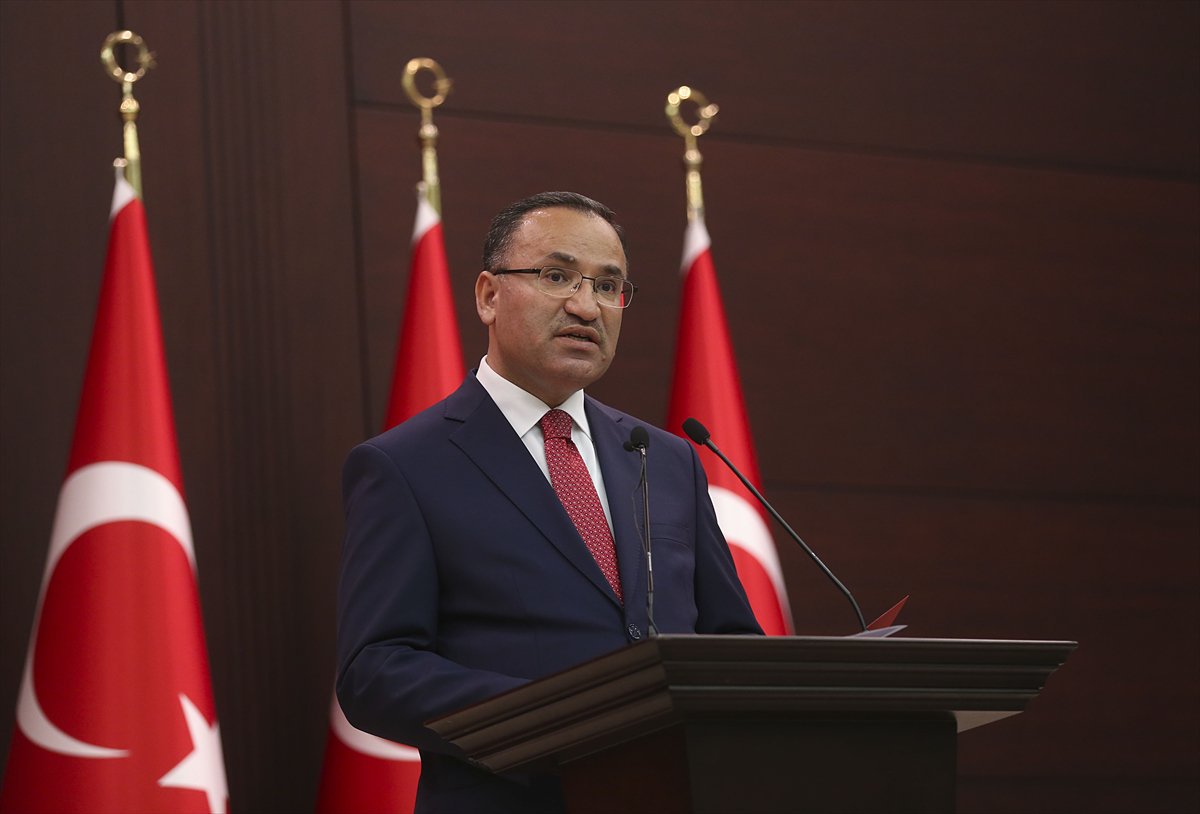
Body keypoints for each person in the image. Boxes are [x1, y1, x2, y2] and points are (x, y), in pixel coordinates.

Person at [336, 191, 761, 813]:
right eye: (557, 277)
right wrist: (554, 720)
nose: (586, 306)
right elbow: (375, 672)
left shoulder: (667, 458)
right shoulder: (405, 465)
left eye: (608, 286)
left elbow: (730, 641)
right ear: (488, 295)